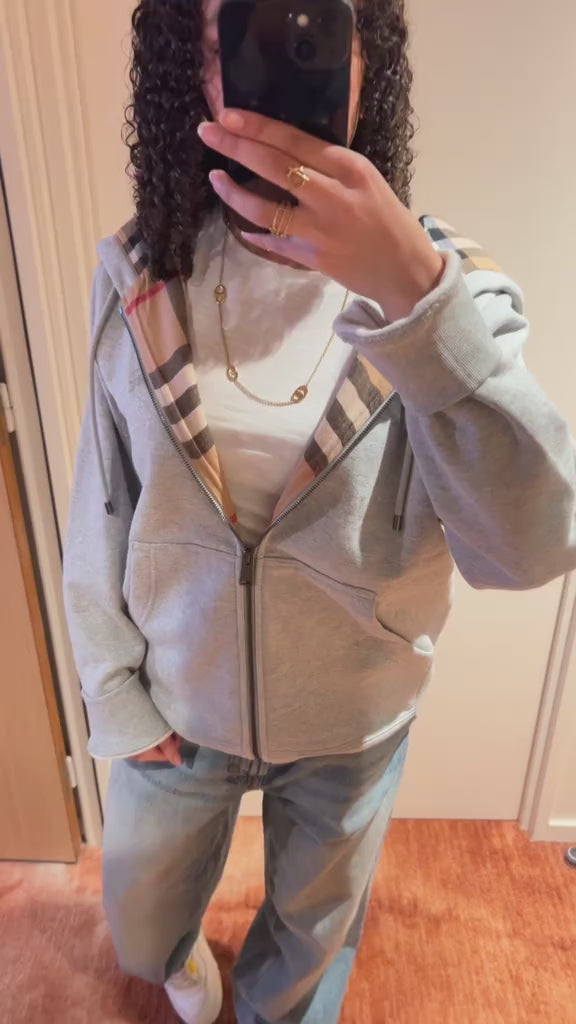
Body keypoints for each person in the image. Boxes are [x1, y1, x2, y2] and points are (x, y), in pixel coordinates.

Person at [62, 1, 576, 1022]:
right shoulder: (140, 276)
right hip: (180, 697)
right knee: (140, 924)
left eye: (315, 32)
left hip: (352, 716)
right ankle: (180, 965)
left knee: (308, 946)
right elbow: (102, 495)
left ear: (363, 60)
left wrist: (415, 296)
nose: (274, 70)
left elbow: (529, 546)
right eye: (233, 41)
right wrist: (111, 686)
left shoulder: (449, 293)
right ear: (190, 73)